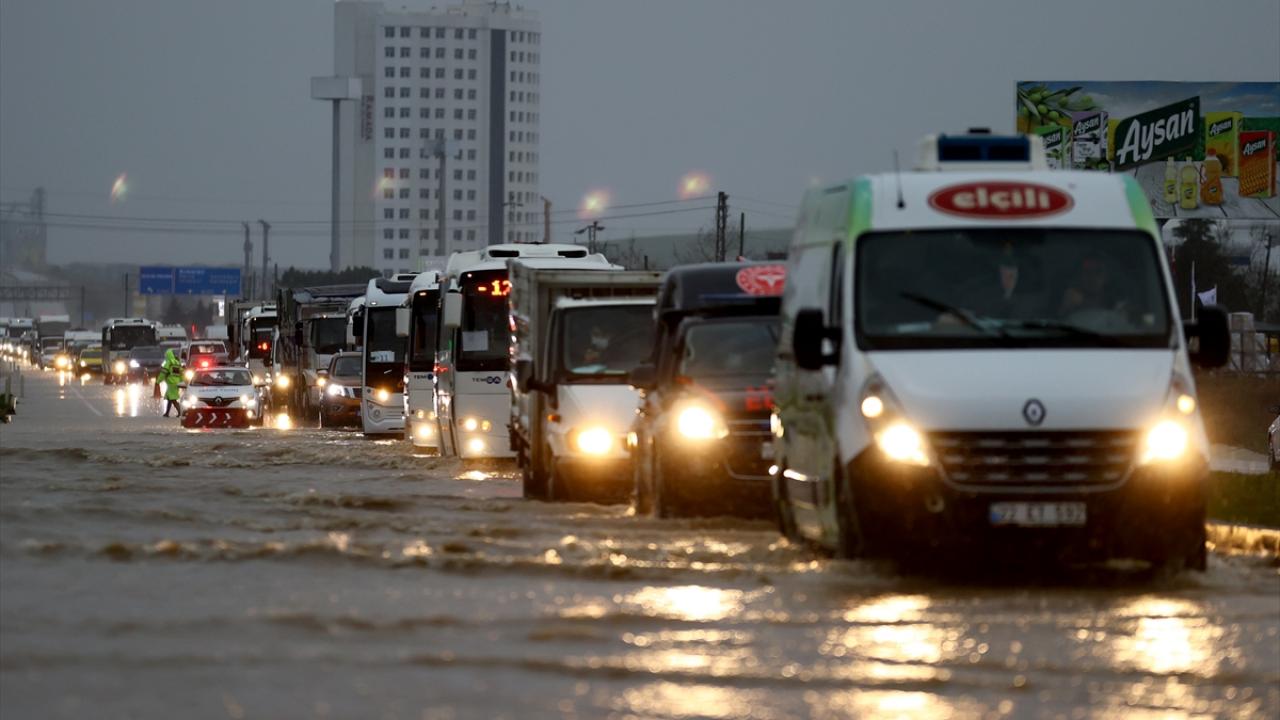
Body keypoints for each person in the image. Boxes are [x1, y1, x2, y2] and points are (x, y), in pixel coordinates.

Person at [157, 349, 184, 418]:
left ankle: (180, 412)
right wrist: (182, 382)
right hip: (176, 383)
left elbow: (163, 373)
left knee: (173, 399)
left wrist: (158, 381)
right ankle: (167, 413)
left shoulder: (168, 363)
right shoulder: (177, 363)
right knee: (170, 398)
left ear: (167, 356)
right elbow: (181, 374)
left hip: (171, 383)